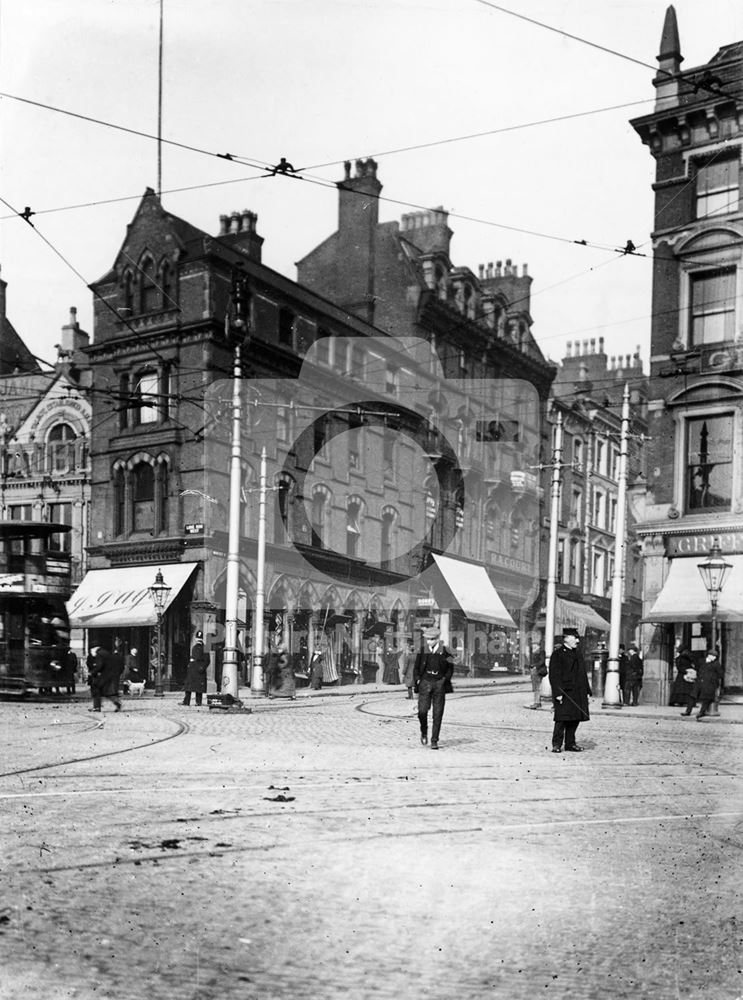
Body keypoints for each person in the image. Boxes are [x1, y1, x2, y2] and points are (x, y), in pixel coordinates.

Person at [548, 629, 591, 753]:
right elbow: (554, 676)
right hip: (565, 692)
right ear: (566, 638)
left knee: (575, 718)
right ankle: (556, 744)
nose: (577, 641)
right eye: (575, 638)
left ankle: (570, 744)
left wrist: (587, 691)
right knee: (562, 719)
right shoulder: (558, 654)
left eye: (578, 638)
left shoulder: (578, 654)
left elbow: (583, 674)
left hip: (577, 692)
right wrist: (558, 693)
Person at [413, 627, 455, 750]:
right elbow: (416, 667)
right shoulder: (422, 651)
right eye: (427, 639)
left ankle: (434, 740)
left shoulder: (446, 651)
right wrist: (418, 680)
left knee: (437, 713)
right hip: (425, 682)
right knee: (422, 711)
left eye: (431, 639)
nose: (428, 642)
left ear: (437, 639)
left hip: (439, 684)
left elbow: (450, 668)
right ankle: (424, 731)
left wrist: (444, 680)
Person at [88, 643, 122, 712]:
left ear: (93, 649)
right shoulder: (105, 652)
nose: (91, 653)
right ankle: (117, 702)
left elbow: (100, 665)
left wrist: (92, 672)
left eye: (91, 651)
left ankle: (97, 707)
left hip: (104, 675)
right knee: (106, 691)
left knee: (96, 688)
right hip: (110, 675)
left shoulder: (99, 654)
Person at [182, 630, 209, 706]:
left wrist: (202, 668)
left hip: (199, 669)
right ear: (196, 639)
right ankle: (186, 701)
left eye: (200, 638)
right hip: (193, 669)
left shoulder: (205, 648)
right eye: (198, 638)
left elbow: (207, 660)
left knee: (199, 688)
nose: (198, 640)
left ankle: (198, 702)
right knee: (188, 686)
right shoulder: (194, 647)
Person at [695, 649, 723, 721]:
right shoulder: (702, 661)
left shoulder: (716, 664)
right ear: (709, 655)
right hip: (702, 682)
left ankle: (702, 711)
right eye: (713, 656)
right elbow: (699, 670)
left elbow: (720, 674)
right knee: (701, 696)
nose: (714, 658)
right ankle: (701, 711)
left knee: (707, 697)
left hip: (711, 683)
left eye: (715, 656)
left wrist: (714, 678)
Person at [673, 647, 698, 715]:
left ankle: (681, 701)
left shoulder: (681, 658)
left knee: (684, 689)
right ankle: (685, 702)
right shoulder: (687, 658)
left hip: (684, 675)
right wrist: (688, 670)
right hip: (686, 674)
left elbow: (679, 667)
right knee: (687, 689)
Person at [529, 645, 547, 709]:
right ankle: (537, 702)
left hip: (538, 671)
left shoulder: (541, 651)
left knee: (537, 687)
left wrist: (534, 666)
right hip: (535, 670)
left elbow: (542, 661)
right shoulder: (535, 651)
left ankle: (537, 702)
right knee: (535, 687)